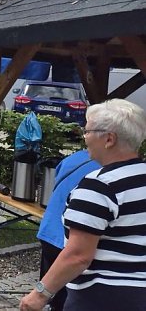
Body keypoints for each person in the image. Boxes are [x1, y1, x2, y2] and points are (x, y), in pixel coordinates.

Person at [20, 99, 146, 311]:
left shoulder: (99, 185)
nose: (84, 137)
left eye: (87, 131)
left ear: (109, 139)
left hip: (102, 297)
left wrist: (39, 295)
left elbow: (78, 256)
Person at [32, 149, 100, 311]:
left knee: (49, 286)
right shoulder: (105, 170)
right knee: (66, 294)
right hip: (66, 238)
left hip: (48, 230)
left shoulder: (74, 158)